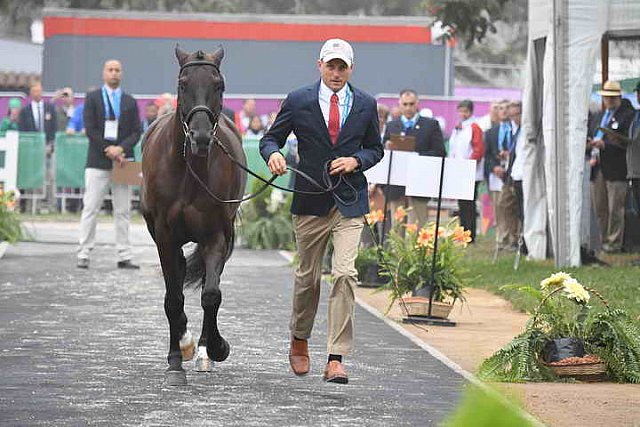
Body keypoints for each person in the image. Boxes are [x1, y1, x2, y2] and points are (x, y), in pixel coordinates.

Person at [259, 38, 383, 384]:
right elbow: (272, 138)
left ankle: (335, 357)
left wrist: (356, 160)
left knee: (344, 274)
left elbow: (376, 149)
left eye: (342, 66)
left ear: (351, 70)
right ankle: (299, 339)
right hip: (310, 200)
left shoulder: (365, 104)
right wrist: (273, 155)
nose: (336, 72)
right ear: (320, 66)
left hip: (349, 200)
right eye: (331, 65)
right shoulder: (298, 100)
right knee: (308, 278)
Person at [77, 59, 142, 269]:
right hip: (97, 160)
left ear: (121, 74)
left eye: (117, 70)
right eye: (110, 70)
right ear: (104, 73)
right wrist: (109, 150)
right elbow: (91, 129)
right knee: (90, 208)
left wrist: (120, 149)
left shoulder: (130, 101)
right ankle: (84, 252)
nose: (114, 73)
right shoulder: (93, 98)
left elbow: (136, 132)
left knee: (123, 211)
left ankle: (124, 254)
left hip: (124, 161)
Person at [384, 89, 445, 226]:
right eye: (404, 104)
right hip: (396, 183)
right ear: (399, 104)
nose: (408, 108)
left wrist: (418, 157)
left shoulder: (431, 125)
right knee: (397, 224)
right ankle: (397, 248)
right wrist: (387, 146)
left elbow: (440, 152)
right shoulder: (391, 125)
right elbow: (381, 151)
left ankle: (418, 248)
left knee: (418, 224)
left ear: (417, 104)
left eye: (411, 104)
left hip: (420, 182)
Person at [588, 80, 635, 253]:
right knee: (600, 206)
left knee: (615, 206)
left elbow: (627, 142)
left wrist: (605, 145)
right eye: (606, 97)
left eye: (612, 97)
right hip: (597, 166)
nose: (609, 100)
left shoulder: (628, 116)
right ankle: (604, 240)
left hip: (617, 168)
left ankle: (614, 242)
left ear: (619, 97)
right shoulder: (599, 116)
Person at [447, 100, 485, 241]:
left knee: (469, 204)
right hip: (459, 171)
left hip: (470, 172)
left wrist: (468, 164)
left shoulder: (474, 127)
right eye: (460, 111)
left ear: (470, 112)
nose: (463, 114)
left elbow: (478, 149)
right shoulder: (458, 127)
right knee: (461, 204)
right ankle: (462, 231)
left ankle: (470, 234)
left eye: (465, 111)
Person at [483, 100, 511, 250]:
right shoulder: (490, 132)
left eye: (507, 108)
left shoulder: (515, 130)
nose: (504, 111)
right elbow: (486, 155)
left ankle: (513, 235)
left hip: (511, 172)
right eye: (501, 109)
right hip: (496, 173)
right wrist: (493, 167)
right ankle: (501, 236)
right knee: (498, 206)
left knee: (509, 205)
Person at [18, 82, 57, 149]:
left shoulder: (50, 108)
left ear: (42, 92)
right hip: (31, 145)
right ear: (30, 93)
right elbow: (22, 129)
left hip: (47, 145)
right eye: (34, 91)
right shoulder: (25, 111)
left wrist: (51, 143)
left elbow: (54, 126)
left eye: (38, 91)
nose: (36, 94)